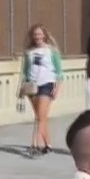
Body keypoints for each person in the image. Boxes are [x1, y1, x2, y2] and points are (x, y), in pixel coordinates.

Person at [20, 24, 63, 155]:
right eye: (35, 34)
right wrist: (23, 87)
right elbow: (25, 71)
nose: (37, 37)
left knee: (41, 116)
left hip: (47, 84)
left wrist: (57, 87)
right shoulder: (29, 52)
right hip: (32, 85)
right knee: (40, 117)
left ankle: (36, 144)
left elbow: (59, 71)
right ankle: (48, 144)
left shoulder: (52, 51)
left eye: (39, 34)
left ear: (44, 35)